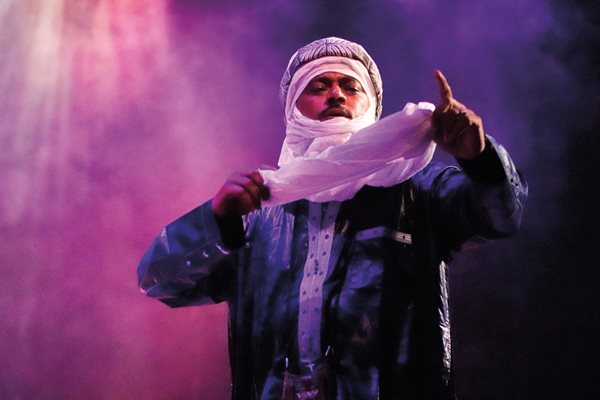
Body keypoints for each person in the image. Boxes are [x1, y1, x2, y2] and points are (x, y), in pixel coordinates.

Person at [137, 37, 527, 400]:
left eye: (350, 86)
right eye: (319, 85)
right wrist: (217, 221)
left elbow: (500, 217)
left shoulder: (415, 188)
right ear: (293, 106)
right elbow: (159, 281)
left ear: (371, 106)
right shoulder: (261, 206)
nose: (336, 94)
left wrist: (479, 159)